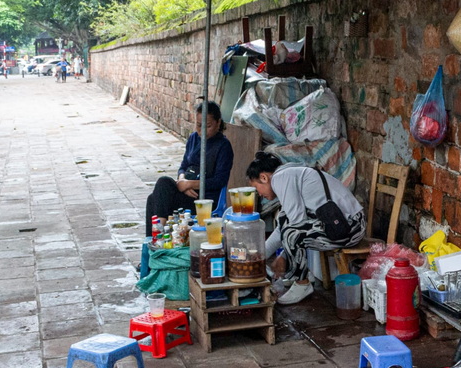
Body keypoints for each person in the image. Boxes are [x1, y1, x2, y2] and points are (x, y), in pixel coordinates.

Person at [246, 153, 365, 304]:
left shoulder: (280, 178)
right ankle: (299, 275)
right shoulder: (290, 174)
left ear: (264, 178)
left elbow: (296, 225)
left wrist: (283, 256)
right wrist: (261, 256)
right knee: (284, 219)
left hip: (350, 228)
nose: (260, 194)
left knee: (292, 233)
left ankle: (302, 283)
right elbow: (284, 225)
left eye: (257, 189)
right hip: (346, 224)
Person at [144, 100, 234, 236]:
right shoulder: (193, 138)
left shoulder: (223, 146)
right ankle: (156, 235)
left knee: (154, 199)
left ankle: (157, 236)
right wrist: (182, 181)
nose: (202, 130)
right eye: (199, 125)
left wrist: (189, 184)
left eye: (208, 126)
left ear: (218, 123)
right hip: (185, 190)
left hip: (203, 200)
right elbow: (183, 166)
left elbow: (219, 181)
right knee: (161, 186)